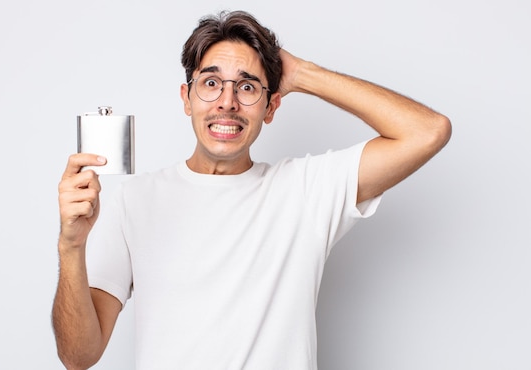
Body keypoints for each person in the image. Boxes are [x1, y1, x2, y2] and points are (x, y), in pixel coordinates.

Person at [52, 9, 451, 370]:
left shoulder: (306, 190)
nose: (227, 102)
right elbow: (78, 355)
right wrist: (71, 246)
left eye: (246, 88)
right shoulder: (131, 201)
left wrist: (302, 74)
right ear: (186, 99)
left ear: (271, 107)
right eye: (210, 83)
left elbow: (428, 131)